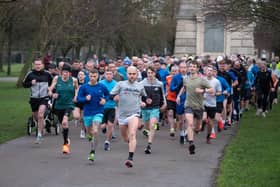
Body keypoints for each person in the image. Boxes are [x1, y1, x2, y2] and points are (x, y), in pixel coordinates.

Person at [110, 66, 147, 168]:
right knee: (126, 138)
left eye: (133, 74)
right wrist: (115, 97)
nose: (132, 76)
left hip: (134, 113)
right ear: (127, 74)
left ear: (136, 74)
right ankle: (131, 143)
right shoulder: (120, 84)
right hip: (122, 116)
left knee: (132, 134)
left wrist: (145, 101)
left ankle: (130, 158)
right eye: (130, 74)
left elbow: (144, 96)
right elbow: (111, 95)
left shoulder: (140, 86)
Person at [177, 60, 213, 154]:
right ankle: (191, 144)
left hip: (199, 106)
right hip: (188, 105)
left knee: (197, 127)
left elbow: (212, 90)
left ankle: (197, 130)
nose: (192, 68)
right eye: (190, 66)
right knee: (189, 123)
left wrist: (202, 91)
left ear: (197, 68)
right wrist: (179, 96)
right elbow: (184, 87)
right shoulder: (186, 79)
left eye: (194, 67)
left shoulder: (202, 80)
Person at [77, 69, 109, 162]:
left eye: (95, 76)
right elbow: (79, 98)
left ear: (98, 76)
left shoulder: (102, 86)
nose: (93, 78)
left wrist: (104, 100)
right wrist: (85, 99)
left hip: (98, 111)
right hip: (87, 112)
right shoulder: (84, 87)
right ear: (88, 76)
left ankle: (92, 152)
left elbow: (107, 94)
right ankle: (89, 136)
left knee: (95, 131)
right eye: (91, 76)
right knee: (89, 132)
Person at [48, 63, 79, 154]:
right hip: (59, 105)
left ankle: (65, 145)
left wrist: (76, 96)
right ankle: (66, 140)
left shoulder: (74, 80)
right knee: (63, 125)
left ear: (70, 73)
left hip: (69, 104)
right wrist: (52, 94)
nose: (65, 74)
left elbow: (77, 88)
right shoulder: (57, 79)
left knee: (65, 122)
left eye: (67, 72)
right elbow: (50, 89)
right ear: (61, 72)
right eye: (64, 72)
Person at [23, 58, 53, 144]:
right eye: (36, 64)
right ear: (33, 65)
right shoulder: (30, 74)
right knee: (36, 117)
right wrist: (30, 83)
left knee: (40, 115)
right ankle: (41, 126)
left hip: (44, 97)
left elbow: (53, 84)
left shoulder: (47, 74)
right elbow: (24, 84)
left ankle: (39, 135)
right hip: (34, 99)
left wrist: (50, 90)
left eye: (39, 64)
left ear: (42, 65)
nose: (38, 66)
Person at [140, 65, 166, 154]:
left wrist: (164, 104)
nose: (150, 74)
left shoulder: (159, 84)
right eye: (148, 73)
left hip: (155, 107)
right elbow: (138, 95)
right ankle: (150, 130)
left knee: (152, 126)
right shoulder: (142, 83)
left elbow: (163, 95)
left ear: (155, 73)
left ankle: (149, 145)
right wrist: (141, 102)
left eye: (152, 73)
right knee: (147, 126)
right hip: (145, 108)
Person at [100, 69, 118, 151]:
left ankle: (107, 142)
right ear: (104, 75)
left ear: (113, 75)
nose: (108, 75)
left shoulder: (116, 84)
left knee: (110, 125)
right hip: (102, 107)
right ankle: (103, 128)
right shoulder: (101, 83)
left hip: (112, 107)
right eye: (107, 74)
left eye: (110, 74)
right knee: (103, 126)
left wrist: (117, 98)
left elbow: (118, 95)